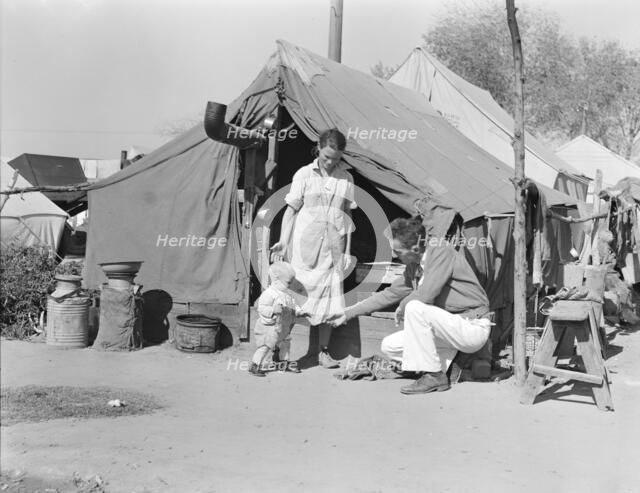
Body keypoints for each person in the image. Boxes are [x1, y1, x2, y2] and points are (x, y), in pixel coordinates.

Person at [329, 215, 492, 394]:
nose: (393, 255)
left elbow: (426, 294)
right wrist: (348, 313)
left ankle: (434, 376)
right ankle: (451, 366)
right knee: (389, 346)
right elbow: (389, 294)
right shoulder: (414, 267)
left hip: (471, 326)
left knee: (415, 307)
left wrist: (404, 305)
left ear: (414, 248)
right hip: (449, 330)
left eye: (397, 251)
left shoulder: (441, 252)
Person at [270, 129, 357, 369]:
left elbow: (347, 213)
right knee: (296, 299)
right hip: (304, 248)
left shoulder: (346, 179)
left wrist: (347, 249)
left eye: (336, 158)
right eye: (327, 156)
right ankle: (281, 351)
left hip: (333, 250)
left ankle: (321, 352)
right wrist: (283, 240)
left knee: (328, 301)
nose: (330, 162)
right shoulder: (304, 174)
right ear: (318, 148)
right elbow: (291, 209)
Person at [250, 262, 309, 377]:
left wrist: (298, 311)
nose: (290, 285)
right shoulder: (269, 294)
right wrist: (272, 310)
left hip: (283, 327)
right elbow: (261, 308)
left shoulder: (286, 293)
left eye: (291, 283)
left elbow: (292, 304)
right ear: (276, 280)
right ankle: (255, 365)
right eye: (288, 283)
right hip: (270, 328)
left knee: (285, 344)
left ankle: (283, 362)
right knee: (265, 346)